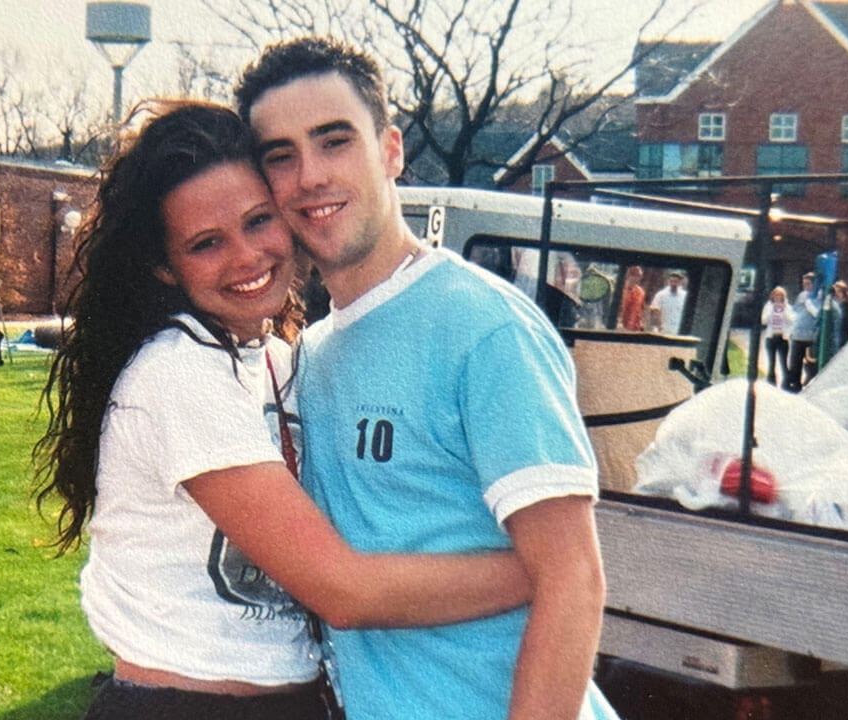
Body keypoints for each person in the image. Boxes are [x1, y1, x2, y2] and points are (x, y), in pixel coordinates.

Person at [34, 101, 532, 720]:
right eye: (207, 243)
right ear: (165, 265)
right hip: (186, 707)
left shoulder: (278, 357)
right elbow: (341, 590)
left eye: (258, 220)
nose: (246, 257)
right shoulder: (177, 373)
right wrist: (541, 570)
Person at [236, 37, 614, 720]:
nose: (311, 176)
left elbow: (575, 579)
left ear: (390, 150)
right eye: (281, 156)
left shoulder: (485, 328)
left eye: (334, 141)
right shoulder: (310, 355)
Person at [787, 271, 820, 391]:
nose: (805, 286)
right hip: (797, 334)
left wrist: (809, 304)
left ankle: (810, 384)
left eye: (808, 283)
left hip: (810, 336)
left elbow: (818, 314)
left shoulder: (818, 296)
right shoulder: (801, 295)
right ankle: (794, 384)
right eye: (804, 283)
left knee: (810, 363)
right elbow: (795, 312)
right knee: (795, 362)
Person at [760, 286, 791, 386]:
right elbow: (763, 320)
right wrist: (773, 311)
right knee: (771, 363)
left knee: (784, 363)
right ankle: (771, 383)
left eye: (780, 295)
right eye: (776, 295)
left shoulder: (787, 307)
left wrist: (784, 309)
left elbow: (791, 320)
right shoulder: (768, 306)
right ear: (773, 296)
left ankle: (786, 385)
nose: (778, 297)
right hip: (771, 337)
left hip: (782, 338)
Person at [619, 266, 645, 331]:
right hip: (621, 326)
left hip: (635, 327)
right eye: (637, 276)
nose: (639, 278)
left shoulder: (640, 291)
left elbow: (640, 309)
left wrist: (640, 323)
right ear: (629, 276)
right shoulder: (620, 290)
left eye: (639, 276)